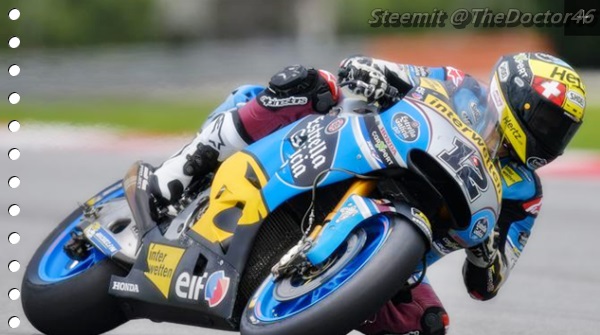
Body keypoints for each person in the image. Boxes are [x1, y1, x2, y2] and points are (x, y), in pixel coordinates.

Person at [148, 53, 586, 335]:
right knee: (309, 83)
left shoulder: (525, 193)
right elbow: (390, 72)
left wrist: (486, 255)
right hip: (354, 157)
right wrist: (374, 74)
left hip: (402, 252)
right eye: (548, 122)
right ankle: (183, 169)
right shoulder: (457, 85)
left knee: (429, 325)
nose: (552, 138)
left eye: (562, 131)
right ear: (517, 100)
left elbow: (486, 286)